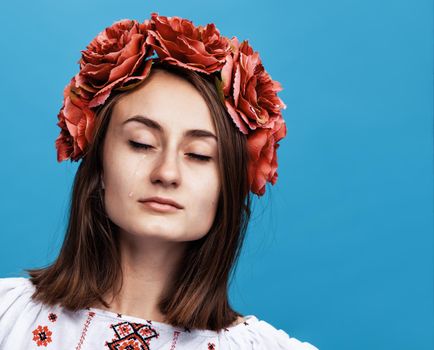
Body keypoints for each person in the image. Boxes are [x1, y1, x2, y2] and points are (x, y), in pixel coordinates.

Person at [0, 13, 319, 349]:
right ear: (98, 163)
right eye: (141, 143)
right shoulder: (7, 317)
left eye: (198, 154)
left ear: (229, 184)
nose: (166, 173)